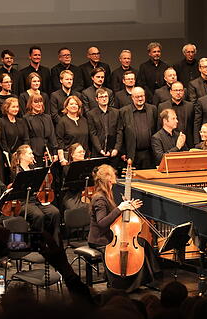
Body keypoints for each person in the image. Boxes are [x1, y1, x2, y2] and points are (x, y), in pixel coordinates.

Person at [88, 164, 156, 292]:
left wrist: (128, 207)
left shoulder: (107, 195)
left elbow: (113, 218)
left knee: (143, 243)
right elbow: (102, 222)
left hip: (109, 235)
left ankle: (142, 280)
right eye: (112, 181)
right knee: (131, 247)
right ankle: (127, 284)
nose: (114, 183)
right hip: (100, 239)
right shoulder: (99, 199)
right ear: (108, 181)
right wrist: (120, 208)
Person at [10, 146, 61, 237]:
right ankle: (37, 240)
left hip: (37, 199)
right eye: (30, 153)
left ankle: (53, 239)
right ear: (22, 156)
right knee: (38, 215)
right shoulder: (16, 171)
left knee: (54, 212)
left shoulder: (33, 167)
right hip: (24, 202)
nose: (32, 155)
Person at [120, 87, 158, 169]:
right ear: (132, 97)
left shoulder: (153, 109)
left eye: (142, 96)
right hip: (132, 154)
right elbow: (120, 133)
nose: (140, 99)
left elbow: (157, 129)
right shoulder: (124, 112)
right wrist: (123, 152)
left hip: (150, 153)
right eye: (137, 97)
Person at [86, 87, 122, 158]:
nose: (104, 99)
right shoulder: (91, 114)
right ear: (96, 99)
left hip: (113, 151)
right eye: (101, 97)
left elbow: (119, 131)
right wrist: (100, 150)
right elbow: (93, 134)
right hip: (98, 151)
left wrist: (116, 149)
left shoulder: (116, 112)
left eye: (106, 96)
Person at [56, 95, 93, 162]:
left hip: (84, 156)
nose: (74, 106)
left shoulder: (84, 120)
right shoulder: (62, 121)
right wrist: (62, 159)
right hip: (69, 158)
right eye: (71, 104)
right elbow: (59, 141)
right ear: (66, 106)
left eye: (76, 104)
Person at [23, 92, 58, 164]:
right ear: (31, 104)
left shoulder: (47, 117)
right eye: (36, 102)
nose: (39, 104)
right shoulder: (26, 118)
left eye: (40, 101)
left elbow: (52, 136)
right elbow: (26, 138)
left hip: (48, 153)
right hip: (34, 153)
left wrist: (55, 152)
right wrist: (29, 154)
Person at [158, 81, 196, 146]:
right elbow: (159, 126)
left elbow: (193, 125)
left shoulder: (190, 106)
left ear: (183, 92)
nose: (178, 93)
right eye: (176, 90)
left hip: (188, 142)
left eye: (180, 90)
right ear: (171, 91)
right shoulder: (162, 106)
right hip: (169, 142)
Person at [60, 143, 90, 211]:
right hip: (71, 195)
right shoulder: (67, 168)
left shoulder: (87, 166)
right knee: (75, 209)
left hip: (85, 193)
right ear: (72, 154)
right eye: (79, 152)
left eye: (83, 151)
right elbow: (71, 186)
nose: (82, 154)